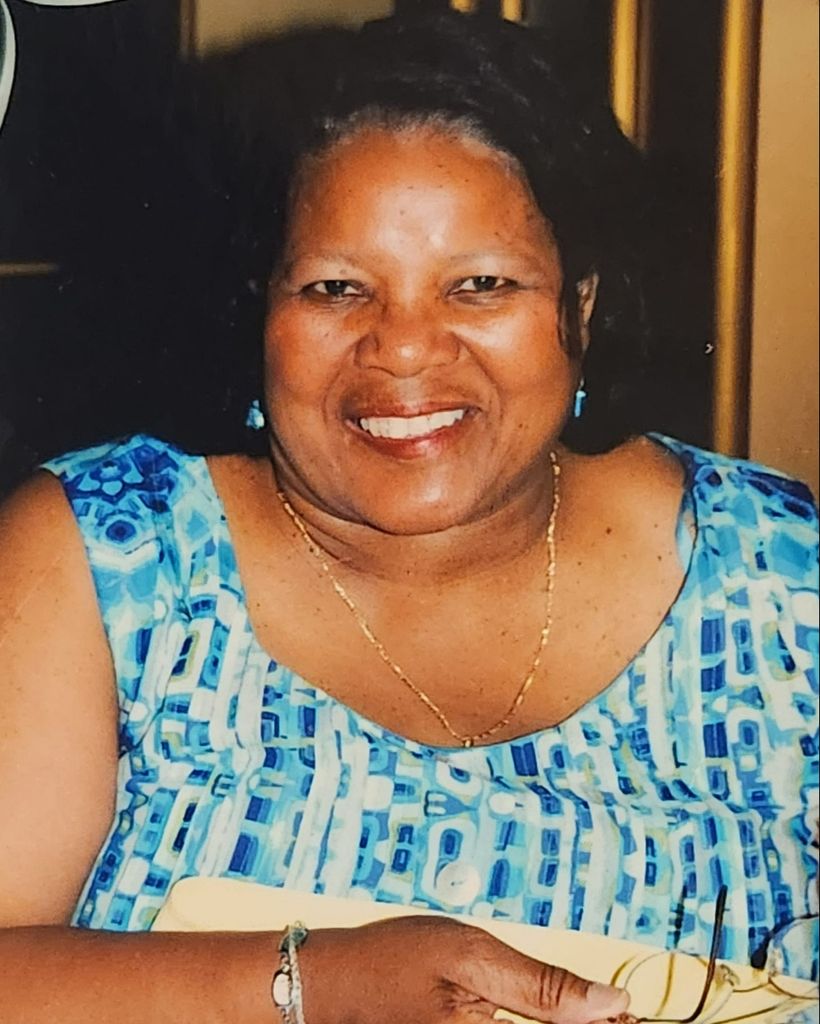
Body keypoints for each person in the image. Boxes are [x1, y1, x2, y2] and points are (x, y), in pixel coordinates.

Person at [0, 10, 817, 1023]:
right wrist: (310, 987)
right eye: (337, 288)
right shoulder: (104, 560)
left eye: (481, 285)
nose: (403, 348)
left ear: (581, 308)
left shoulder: (781, 577)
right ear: (258, 311)